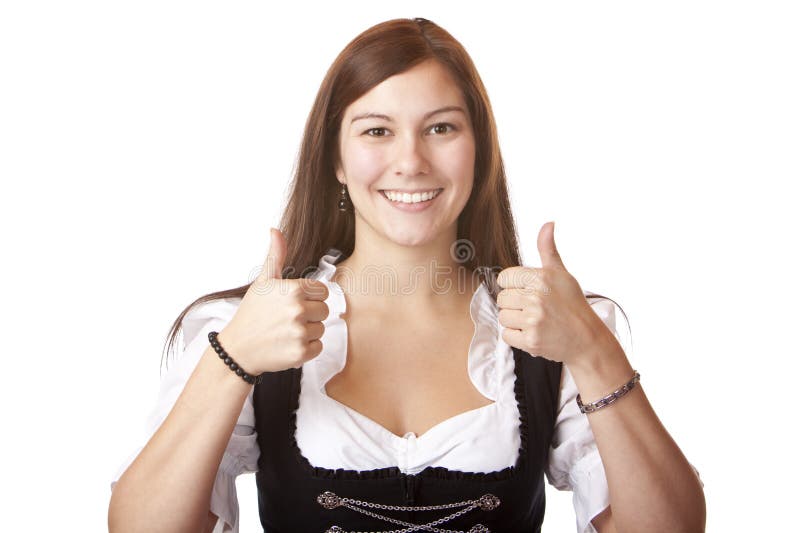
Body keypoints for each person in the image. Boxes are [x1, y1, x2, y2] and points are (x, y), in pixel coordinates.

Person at [108, 17, 705, 533]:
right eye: (377, 130)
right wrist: (231, 359)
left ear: (479, 149)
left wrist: (594, 350)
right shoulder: (242, 329)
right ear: (336, 161)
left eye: (441, 128)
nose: (411, 161)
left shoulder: (557, 330)